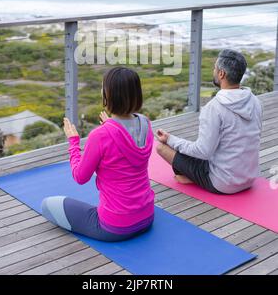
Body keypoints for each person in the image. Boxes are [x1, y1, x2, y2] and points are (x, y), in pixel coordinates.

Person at [41, 66, 155, 241]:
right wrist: (113, 125)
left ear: (108, 95)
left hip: (116, 227)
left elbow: (80, 177)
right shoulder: (146, 124)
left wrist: (73, 143)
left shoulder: (100, 135)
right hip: (146, 216)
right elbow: (125, 140)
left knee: (47, 204)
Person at [156, 49, 262, 194]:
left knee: (162, 148)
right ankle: (193, 176)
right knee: (199, 148)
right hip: (249, 179)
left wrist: (170, 139)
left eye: (214, 68)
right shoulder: (255, 101)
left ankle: (194, 178)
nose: (213, 71)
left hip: (223, 183)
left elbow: (203, 152)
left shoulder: (214, 108)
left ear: (221, 74)